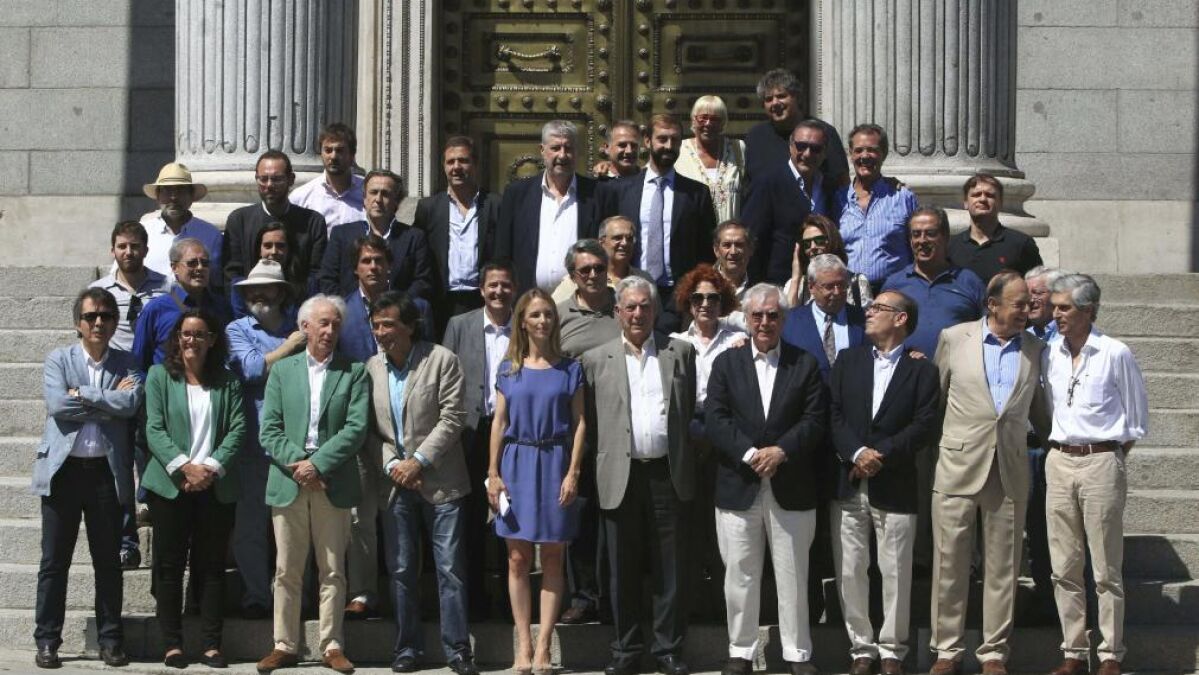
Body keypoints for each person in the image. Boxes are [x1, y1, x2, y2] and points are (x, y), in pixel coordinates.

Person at [928, 272, 1051, 675]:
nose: (1027, 310)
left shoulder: (1035, 348)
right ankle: (947, 650)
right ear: (992, 304)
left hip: (1009, 469)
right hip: (958, 467)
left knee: (1003, 567)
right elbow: (936, 400)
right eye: (1019, 304)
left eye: (1029, 304)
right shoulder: (954, 338)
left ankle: (994, 652)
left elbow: (1042, 414)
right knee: (949, 564)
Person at [705, 283, 827, 675]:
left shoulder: (804, 364)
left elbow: (815, 420)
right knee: (739, 574)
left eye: (772, 315)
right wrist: (750, 454)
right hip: (738, 484)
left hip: (791, 484)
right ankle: (740, 652)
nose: (764, 322)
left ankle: (797, 654)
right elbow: (715, 419)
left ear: (784, 319)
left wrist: (781, 451)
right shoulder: (727, 364)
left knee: (794, 575)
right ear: (745, 318)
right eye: (757, 315)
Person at [580, 277, 697, 675]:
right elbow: (590, 422)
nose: (637, 314)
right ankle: (626, 651)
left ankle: (668, 650)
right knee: (621, 570)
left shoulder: (679, 352)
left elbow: (687, 411)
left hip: (667, 472)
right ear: (617, 312)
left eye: (645, 306)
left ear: (655, 311)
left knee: (671, 568)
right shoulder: (595, 359)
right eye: (629, 307)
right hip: (620, 475)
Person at [828, 291, 940, 675]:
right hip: (849, 482)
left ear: (901, 319)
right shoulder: (848, 360)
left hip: (895, 483)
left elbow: (924, 425)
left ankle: (892, 650)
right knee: (850, 569)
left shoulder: (922, 370)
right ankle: (862, 647)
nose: (869, 312)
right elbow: (833, 413)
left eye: (878, 308)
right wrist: (857, 453)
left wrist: (881, 455)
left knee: (895, 570)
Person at [367, 291, 479, 675]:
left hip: (442, 482)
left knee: (450, 569)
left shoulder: (441, 360)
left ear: (410, 326)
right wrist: (394, 465)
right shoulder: (371, 368)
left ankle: (458, 650)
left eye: (388, 325)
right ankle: (407, 649)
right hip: (395, 483)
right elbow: (370, 431)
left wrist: (418, 462)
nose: (381, 332)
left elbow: (454, 417)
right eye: (376, 325)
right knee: (401, 570)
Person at [255, 294, 368, 674]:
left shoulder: (354, 372)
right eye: (323, 323)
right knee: (287, 568)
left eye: (336, 324)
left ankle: (331, 645)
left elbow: (356, 428)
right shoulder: (282, 371)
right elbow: (269, 429)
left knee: (332, 568)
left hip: (332, 480)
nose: (330, 330)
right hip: (289, 479)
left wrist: (317, 465)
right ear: (304, 327)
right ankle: (284, 644)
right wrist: (300, 466)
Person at [1043, 274, 1148, 675]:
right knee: (1063, 565)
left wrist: (1107, 456)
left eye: (1064, 308)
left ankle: (1110, 653)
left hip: (1101, 460)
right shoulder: (1050, 352)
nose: (1056, 314)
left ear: (1088, 311)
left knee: (1105, 567)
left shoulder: (1115, 352)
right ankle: (1073, 650)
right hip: (1059, 460)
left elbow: (1135, 419)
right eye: (1054, 307)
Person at [31, 288, 139, 670]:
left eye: (106, 316)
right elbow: (58, 404)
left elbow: (131, 403)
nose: (98, 322)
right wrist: (107, 400)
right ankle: (47, 641)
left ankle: (111, 641)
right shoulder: (58, 359)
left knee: (108, 563)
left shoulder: (127, 362)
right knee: (54, 563)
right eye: (91, 316)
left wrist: (85, 394)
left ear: (114, 322)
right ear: (78, 323)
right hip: (64, 473)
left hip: (106, 475)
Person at [487, 289, 587, 674]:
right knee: (517, 557)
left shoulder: (570, 369)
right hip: (517, 462)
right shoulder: (508, 369)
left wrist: (573, 472)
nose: (543, 321)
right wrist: (493, 473)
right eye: (535, 315)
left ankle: (544, 643)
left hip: (556, 461)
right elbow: (499, 423)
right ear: (523, 322)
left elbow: (580, 423)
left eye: (548, 314)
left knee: (553, 556)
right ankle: (523, 644)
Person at [142, 310, 246, 669]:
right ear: (177, 338)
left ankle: (211, 645)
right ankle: (172, 645)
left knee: (212, 567)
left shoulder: (228, 382)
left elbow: (238, 429)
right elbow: (154, 429)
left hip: (215, 486)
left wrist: (210, 469)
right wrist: (186, 467)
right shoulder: (159, 376)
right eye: (186, 334)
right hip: (171, 485)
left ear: (212, 340)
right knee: (168, 567)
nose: (192, 340)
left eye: (200, 334)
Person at [225, 259, 305, 619]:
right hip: (254, 443)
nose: (259, 294)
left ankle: (294, 598)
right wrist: (290, 347)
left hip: (296, 442)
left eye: (267, 287)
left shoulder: (299, 325)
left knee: (295, 528)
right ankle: (257, 596)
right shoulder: (237, 329)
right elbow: (251, 369)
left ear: (282, 293)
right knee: (251, 527)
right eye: (251, 289)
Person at [669, 264, 746, 618]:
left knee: (723, 522)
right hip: (687, 432)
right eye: (697, 298)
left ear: (723, 301)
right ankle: (693, 602)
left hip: (726, 432)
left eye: (713, 298)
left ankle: (721, 602)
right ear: (688, 302)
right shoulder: (675, 343)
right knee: (690, 519)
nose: (705, 304)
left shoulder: (736, 340)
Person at [442, 261, 516, 620]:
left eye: (505, 285)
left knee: (509, 511)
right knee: (470, 515)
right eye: (492, 285)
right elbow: (444, 374)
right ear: (482, 289)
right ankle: (474, 599)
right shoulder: (460, 325)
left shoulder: (524, 325)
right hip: (470, 431)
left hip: (512, 433)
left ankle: (509, 597)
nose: (499, 291)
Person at [596, 114, 718, 329]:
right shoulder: (619, 190)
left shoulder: (696, 194)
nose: (668, 146)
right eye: (662, 139)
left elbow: (706, 253)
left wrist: (690, 296)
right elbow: (602, 241)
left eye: (675, 140)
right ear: (647, 141)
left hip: (676, 298)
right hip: (627, 292)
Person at [495, 120, 602, 293]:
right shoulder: (517, 194)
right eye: (555, 148)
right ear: (542, 150)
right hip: (528, 299)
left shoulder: (597, 193)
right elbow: (503, 251)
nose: (562, 155)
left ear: (576, 152)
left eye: (568, 148)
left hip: (579, 300)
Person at [413, 136, 500, 333]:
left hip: (483, 300)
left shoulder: (495, 205)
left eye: (463, 161)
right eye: (450, 162)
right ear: (444, 166)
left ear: (475, 165)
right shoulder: (429, 208)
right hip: (441, 302)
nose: (456, 167)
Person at [1021, 265, 1066, 624]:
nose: (1030, 300)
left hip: (1057, 446)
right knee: (1034, 526)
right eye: (1027, 294)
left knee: (1062, 528)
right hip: (1023, 445)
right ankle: (1043, 598)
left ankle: (1070, 603)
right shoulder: (1017, 335)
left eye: (1038, 293)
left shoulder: (1068, 337)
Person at [222, 150, 328, 305]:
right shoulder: (239, 220)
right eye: (263, 179)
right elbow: (232, 275)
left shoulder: (313, 222)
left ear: (291, 179)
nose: (269, 185)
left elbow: (317, 275)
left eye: (277, 179)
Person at [880, 207, 987, 358]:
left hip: (956, 370)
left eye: (930, 233)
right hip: (905, 369)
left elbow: (988, 331)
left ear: (946, 237)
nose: (922, 240)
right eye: (916, 234)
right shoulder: (894, 285)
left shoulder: (969, 282)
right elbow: (880, 332)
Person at [320, 169, 436, 301]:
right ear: (364, 198)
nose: (378, 199)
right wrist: (350, 307)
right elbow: (327, 279)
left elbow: (422, 282)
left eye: (385, 194)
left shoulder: (414, 237)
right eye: (373, 192)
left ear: (396, 201)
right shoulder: (341, 235)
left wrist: (397, 307)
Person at [742, 119, 834, 284]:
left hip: (822, 283)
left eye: (815, 148)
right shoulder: (767, 183)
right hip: (778, 284)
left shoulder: (829, 186)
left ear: (825, 152)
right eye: (801, 146)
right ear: (791, 146)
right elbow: (752, 239)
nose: (807, 154)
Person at [837, 124, 919, 293]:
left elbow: (917, 246)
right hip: (849, 293)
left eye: (872, 150)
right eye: (858, 150)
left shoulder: (902, 197)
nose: (864, 156)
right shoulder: (838, 199)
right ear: (851, 154)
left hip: (894, 292)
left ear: (884, 154)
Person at [132, 238, 232, 374]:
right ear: (175, 268)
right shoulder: (156, 309)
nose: (200, 268)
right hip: (168, 384)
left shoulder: (221, 307)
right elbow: (138, 363)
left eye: (205, 263)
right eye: (192, 263)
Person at [744, 68, 848, 189]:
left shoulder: (823, 132)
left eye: (781, 96)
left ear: (797, 97)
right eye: (768, 99)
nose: (775, 103)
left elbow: (842, 181)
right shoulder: (755, 137)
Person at [91, 220, 172, 352]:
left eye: (134, 246)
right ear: (113, 251)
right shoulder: (97, 291)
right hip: (115, 363)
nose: (128, 252)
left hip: (155, 362)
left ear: (145, 251)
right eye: (122, 246)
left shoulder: (167, 286)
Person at [782, 254, 867, 380]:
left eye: (841, 284)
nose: (837, 292)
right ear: (811, 287)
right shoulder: (790, 322)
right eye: (829, 286)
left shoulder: (864, 320)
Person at [138, 162, 224, 286]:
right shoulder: (143, 231)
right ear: (158, 196)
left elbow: (217, 282)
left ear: (191, 196)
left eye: (181, 190)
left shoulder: (211, 235)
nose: (173, 197)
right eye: (167, 190)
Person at [947, 173, 1043, 283]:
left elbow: (1038, 285)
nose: (983, 199)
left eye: (990, 195)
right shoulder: (950, 246)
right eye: (976, 195)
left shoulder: (1021, 244)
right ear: (965, 203)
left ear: (1000, 203)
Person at [674, 95, 747, 222]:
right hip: (692, 232)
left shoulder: (738, 148)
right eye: (703, 118)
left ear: (723, 123)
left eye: (715, 119)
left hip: (729, 232)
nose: (708, 124)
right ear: (693, 120)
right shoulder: (679, 151)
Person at [551, 215, 652, 303]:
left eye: (629, 239)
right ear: (601, 242)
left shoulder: (644, 279)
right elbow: (554, 310)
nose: (625, 243)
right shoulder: (581, 278)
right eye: (617, 238)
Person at [783, 214, 873, 309]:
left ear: (833, 241)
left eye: (819, 241)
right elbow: (788, 317)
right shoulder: (797, 285)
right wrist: (796, 279)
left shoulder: (857, 283)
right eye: (807, 244)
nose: (813, 247)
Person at [289, 122, 366, 230]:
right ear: (321, 154)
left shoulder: (369, 194)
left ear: (352, 155)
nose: (333, 156)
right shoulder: (301, 198)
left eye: (339, 150)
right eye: (328, 150)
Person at [557, 239, 623, 358]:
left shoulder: (627, 306)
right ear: (572, 277)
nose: (593, 275)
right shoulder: (558, 315)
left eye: (599, 268)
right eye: (585, 270)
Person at [252, 221, 309, 302]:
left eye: (280, 246)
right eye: (268, 246)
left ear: (289, 249)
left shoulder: (307, 287)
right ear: (259, 250)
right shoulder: (244, 288)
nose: (274, 252)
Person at [712, 219, 755, 304]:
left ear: (750, 249)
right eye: (727, 245)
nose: (733, 252)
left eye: (739, 245)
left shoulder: (761, 289)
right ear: (716, 250)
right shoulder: (703, 287)